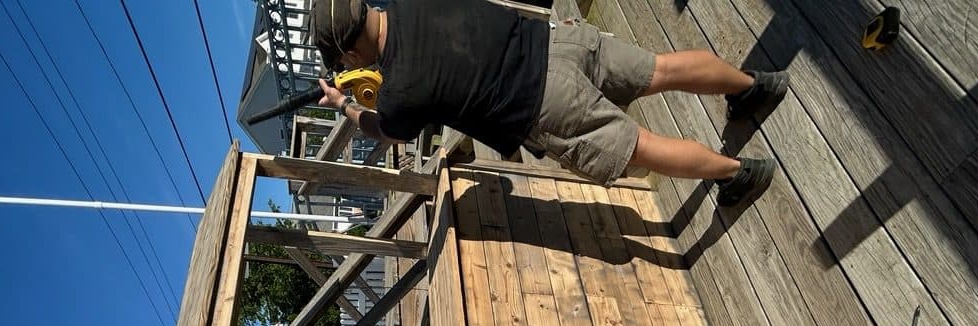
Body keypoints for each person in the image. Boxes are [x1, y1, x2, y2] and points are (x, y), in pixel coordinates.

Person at [310, 0, 786, 205]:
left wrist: (347, 108)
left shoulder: (399, 94)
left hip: (546, 104)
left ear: (351, 55)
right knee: (661, 69)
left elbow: (388, 129)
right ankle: (752, 86)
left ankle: (739, 174)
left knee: (639, 146)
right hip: (555, 41)